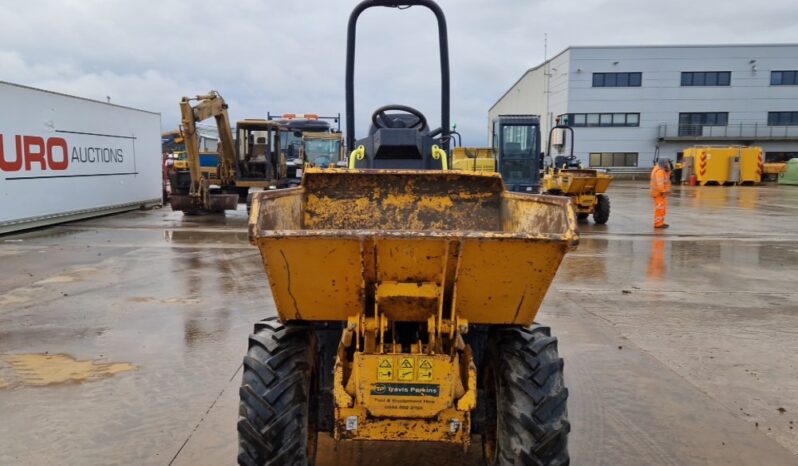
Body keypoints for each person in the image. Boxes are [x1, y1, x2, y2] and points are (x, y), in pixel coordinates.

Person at [650, 158, 672, 229]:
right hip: (659, 193)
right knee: (660, 209)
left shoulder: (661, 170)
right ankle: (658, 224)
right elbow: (660, 183)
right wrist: (663, 191)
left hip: (661, 193)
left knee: (662, 209)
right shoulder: (659, 171)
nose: (669, 164)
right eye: (668, 163)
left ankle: (661, 222)